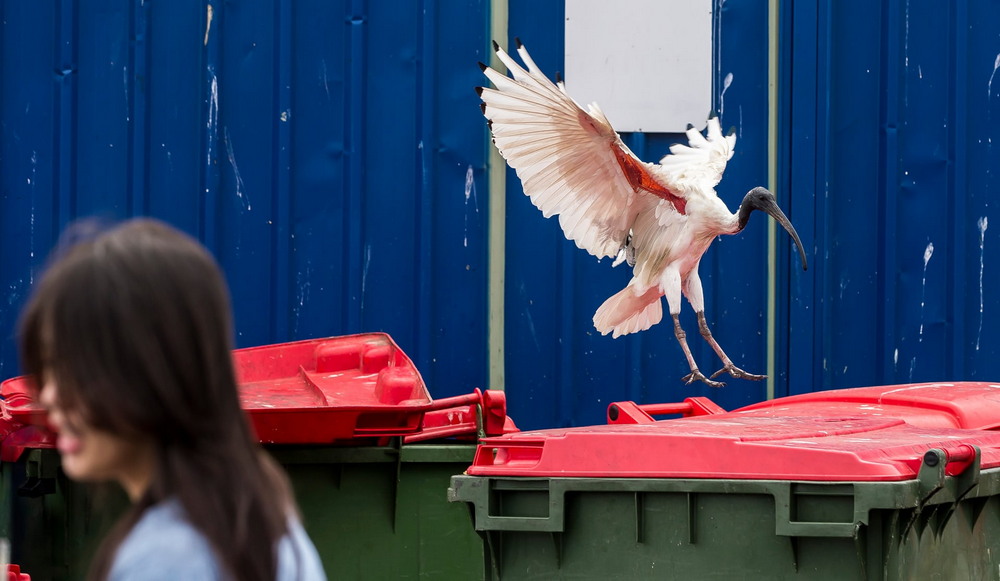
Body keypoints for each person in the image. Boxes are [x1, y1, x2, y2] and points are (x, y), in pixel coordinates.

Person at [18, 218, 327, 581]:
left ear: (155, 375)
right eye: (50, 369)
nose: (50, 395)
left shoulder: (169, 559)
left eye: (76, 370)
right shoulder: (258, 521)